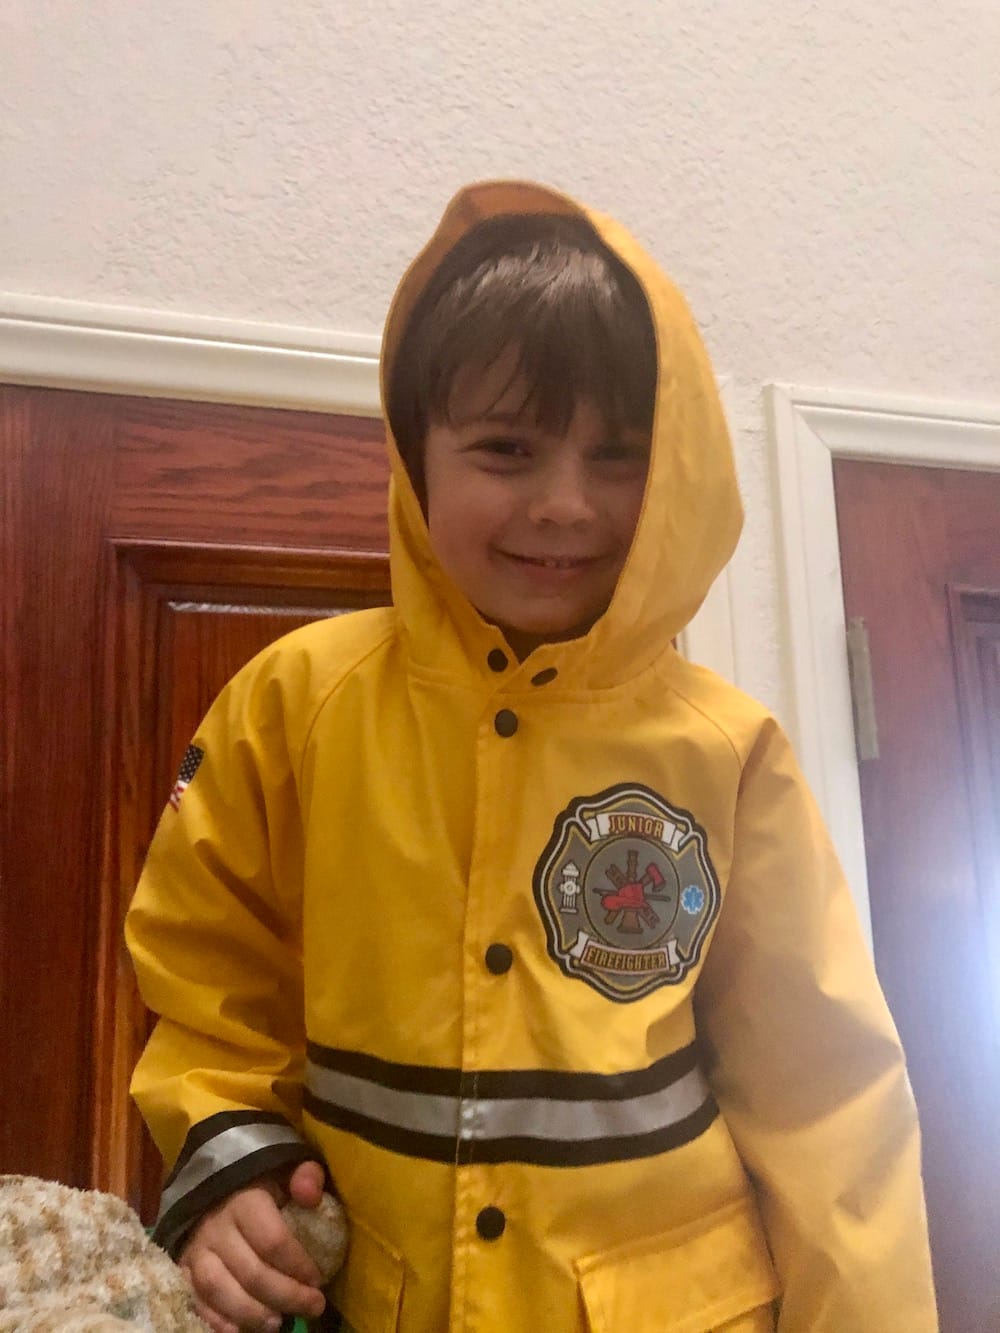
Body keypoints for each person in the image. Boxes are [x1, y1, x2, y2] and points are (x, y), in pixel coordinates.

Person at [126, 180, 938, 1333]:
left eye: (619, 455)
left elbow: (828, 1106)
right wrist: (228, 1162)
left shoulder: (727, 753)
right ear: (417, 454)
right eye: (506, 448)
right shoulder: (295, 703)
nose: (565, 505)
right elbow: (207, 983)